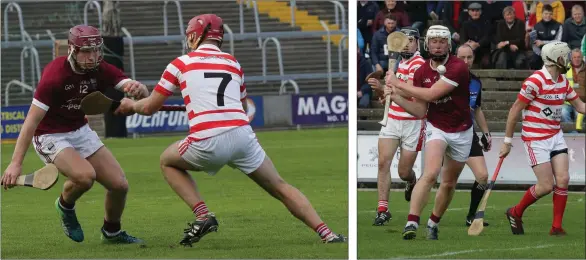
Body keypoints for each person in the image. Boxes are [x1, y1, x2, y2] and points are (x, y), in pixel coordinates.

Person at [114, 14, 346, 246]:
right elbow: (242, 107)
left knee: (167, 161)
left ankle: (203, 215)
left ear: (194, 35)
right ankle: (328, 234)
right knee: (280, 186)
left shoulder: (180, 63)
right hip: (242, 136)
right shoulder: (233, 63)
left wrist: (131, 105)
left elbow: (150, 107)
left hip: (207, 139)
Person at [1, 25, 148, 244]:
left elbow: (131, 87)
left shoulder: (100, 69)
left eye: (96, 50)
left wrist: (139, 89)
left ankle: (112, 232)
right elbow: (31, 121)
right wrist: (15, 163)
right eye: (86, 52)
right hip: (50, 135)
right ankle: (65, 206)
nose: (92, 57)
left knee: (119, 185)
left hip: (79, 130)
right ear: (72, 49)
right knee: (85, 177)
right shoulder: (54, 76)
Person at [385, 25, 473, 240]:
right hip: (437, 127)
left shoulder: (458, 66)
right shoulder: (422, 71)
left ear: (448, 45)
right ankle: (412, 222)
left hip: (462, 129)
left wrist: (398, 84)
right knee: (431, 172)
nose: (437, 45)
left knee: (449, 182)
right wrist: (395, 96)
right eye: (433, 41)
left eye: (442, 42)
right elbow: (420, 109)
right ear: (427, 44)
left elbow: (433, 94)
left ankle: (433, 222)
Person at [500, 41, 585, 236]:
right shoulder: (534, 81)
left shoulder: (563, 81)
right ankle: (515, 211)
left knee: (563, 179)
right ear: (557, 58)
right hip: (535, 139)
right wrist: (507, 141)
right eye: (566, 55)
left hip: (556, 136)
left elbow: (580, 106)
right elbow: (515, 111)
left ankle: (556, 227)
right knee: (546, 186)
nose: (569, 59)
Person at [367, 27, 425, 226]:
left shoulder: (419, 64)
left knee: (403, 172)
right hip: (392, 119)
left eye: (411, 40)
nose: (407, 43)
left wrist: (388, 89)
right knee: (383, 162)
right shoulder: (399, 64)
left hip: (412, 123)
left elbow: (412, 97)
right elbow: (391, 96)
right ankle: (383, 209)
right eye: (404, 40)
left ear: (418, 43)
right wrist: (381, 92)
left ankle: (411, 181)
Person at [456, 44, 492, 227]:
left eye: (469, 57)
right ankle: (418, 219)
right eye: (462, 57)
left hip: (468, 134)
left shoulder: (476, 82)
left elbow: (477, 109)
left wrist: (486, 133)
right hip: (444, 134)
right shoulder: (444, 78)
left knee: (483, 176)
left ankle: (471, 216)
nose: (466, 61)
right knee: (439, 180)